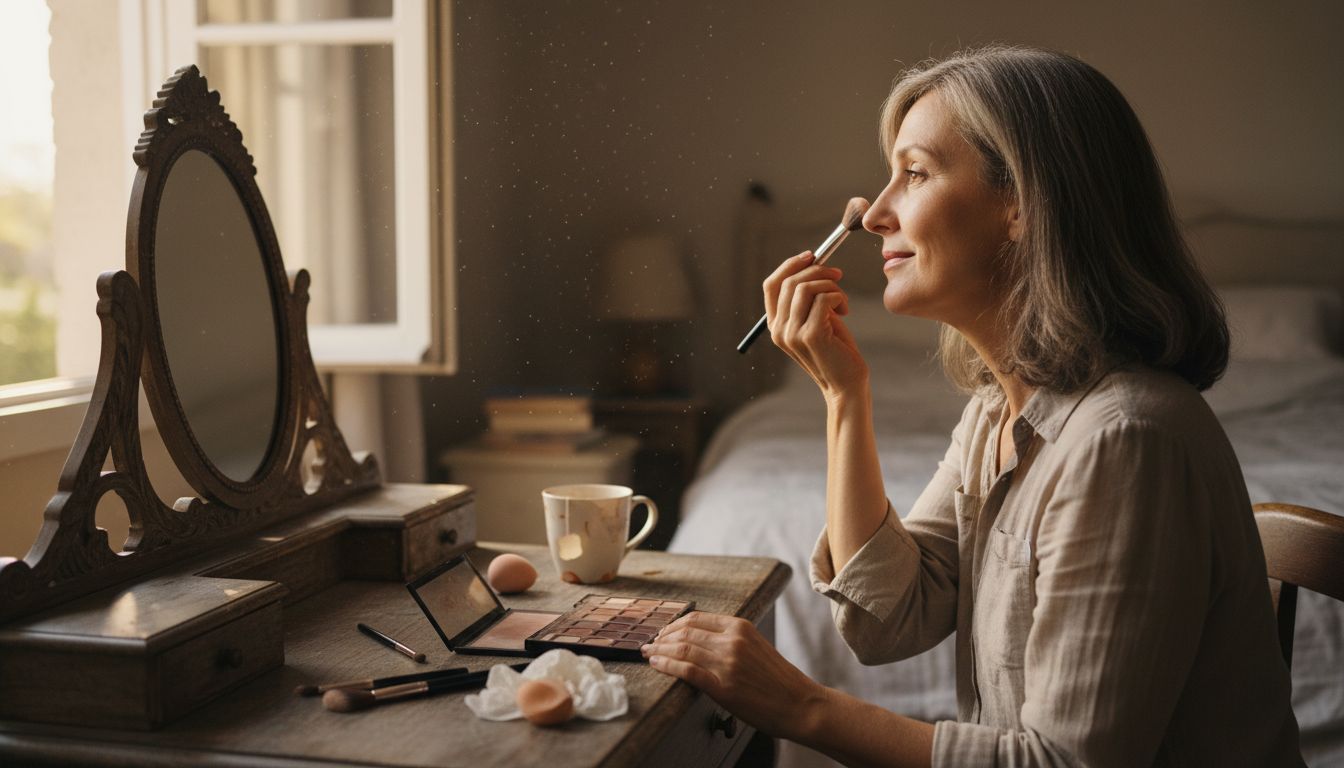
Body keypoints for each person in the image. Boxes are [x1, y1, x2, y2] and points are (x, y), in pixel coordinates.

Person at [639, 45, 1304, 767]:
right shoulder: (999, 412)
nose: (875, 215)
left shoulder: (1126, 440)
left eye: (915, 173)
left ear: (1021, 204)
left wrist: (801, 706)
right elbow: (888, 618)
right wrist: (843, 395)